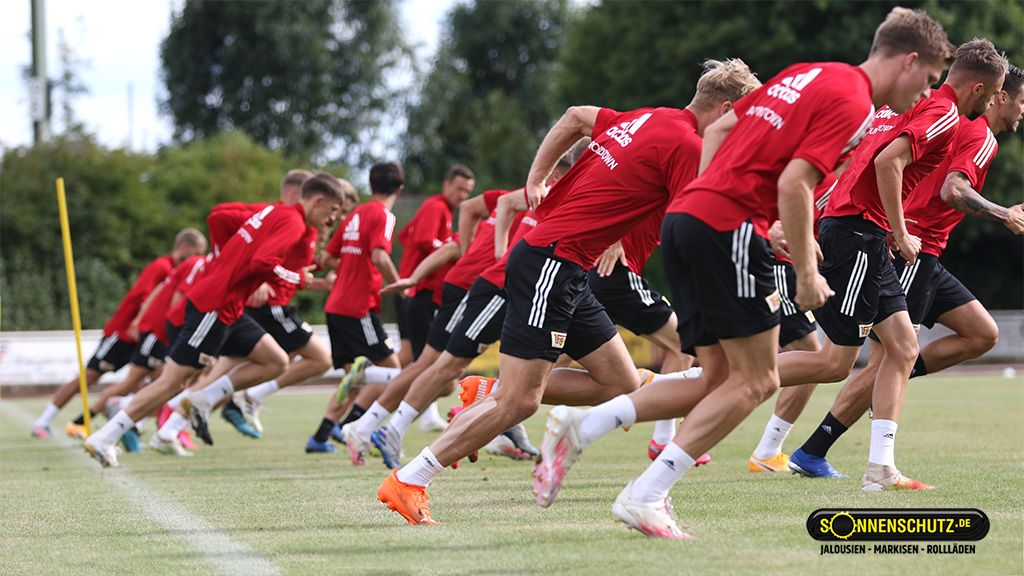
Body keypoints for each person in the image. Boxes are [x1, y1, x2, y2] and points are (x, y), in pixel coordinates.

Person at [531, 8, 956, 538]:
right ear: (909, 60)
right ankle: (643, 492)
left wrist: (713, 196)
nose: (926, 96)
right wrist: (803, 269)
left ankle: (590, 426)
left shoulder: (808, 73)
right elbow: (797, 183)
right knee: (758, 379)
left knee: (717, 378)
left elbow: (727, 126)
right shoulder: (853, 101)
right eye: (930, 80)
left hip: (690, 220)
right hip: (726, 229)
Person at [377, 57, 761, 526]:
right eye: (744, 118)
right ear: (724, 109)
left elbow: (576, 115)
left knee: (619, 382)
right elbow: (695, 220)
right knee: (521, 401)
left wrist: (535, 178)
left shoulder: (647, 117)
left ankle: (487, 391)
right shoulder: (687, 143)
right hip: (550, 264)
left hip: (567, 267)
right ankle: (412, 478)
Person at [786, 37, 1006, 484]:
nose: (925, 86)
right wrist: (901, 230)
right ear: (982, 90)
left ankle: (880, 466)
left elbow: (857, 161)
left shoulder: (898, 107)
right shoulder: (944, 113)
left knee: (903, 349)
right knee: (835, 363)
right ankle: (718, 376)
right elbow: (889, 164)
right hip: (860, 235)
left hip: (863, 233)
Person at [82, 173, 348, 467]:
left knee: (275, 361)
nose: (334, 217)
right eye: (334, 210)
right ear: (319, 201)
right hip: (215, 306)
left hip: (228, 306)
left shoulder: (277, 211)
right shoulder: (294, 222)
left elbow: (244, 245)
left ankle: (203, 400)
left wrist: (234, 263)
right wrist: (294, 276)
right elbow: (263, 262)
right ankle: (105, 437)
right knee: (172, 383)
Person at [31, 228, 207, 440]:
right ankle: (45, 421)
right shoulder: (161, 267)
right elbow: (141, 295)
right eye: (197, 252)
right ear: (184, 248)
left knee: (160, 380)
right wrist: (138, 322)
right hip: (124, 332)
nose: (199, 259)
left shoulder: (182, 270)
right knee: (90, 376)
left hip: (148, 334)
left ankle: (126, 423)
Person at [304, 163, 407, 453]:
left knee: (354, 380)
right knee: (394, 373)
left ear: (371, 185)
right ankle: (355, 427)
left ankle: (322, 435)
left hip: (336, 305)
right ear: (399, 189)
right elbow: (379, 256)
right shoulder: (383, 215)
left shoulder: (355, 215)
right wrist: (401, 286)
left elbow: (326, 257)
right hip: (358, 307)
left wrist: (349, 265)